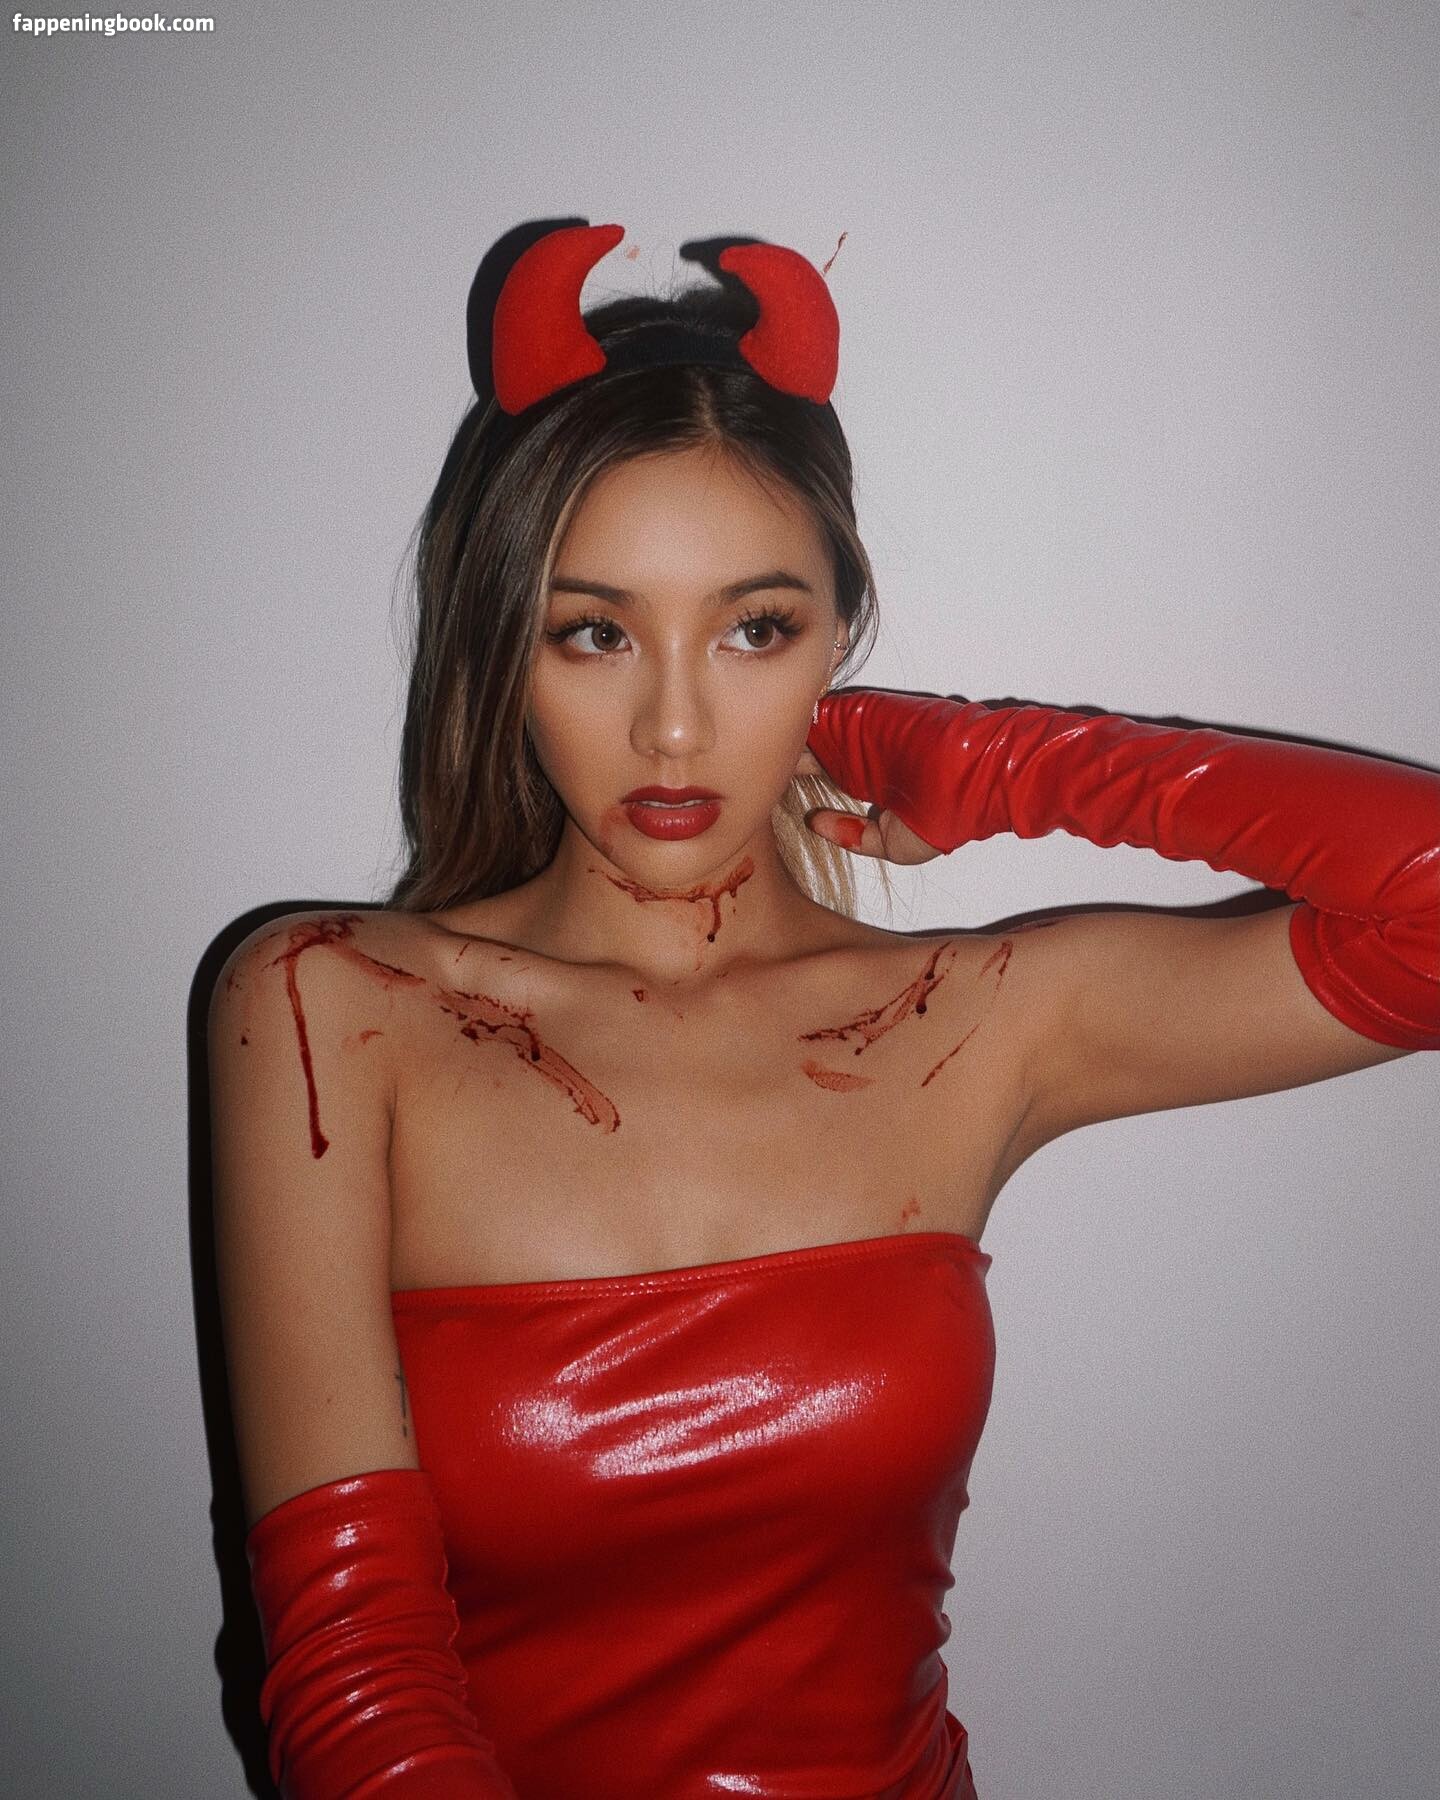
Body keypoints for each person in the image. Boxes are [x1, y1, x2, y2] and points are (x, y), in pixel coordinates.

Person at [207, 222, 1439, 1800]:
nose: (672, 724)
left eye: (754, 628)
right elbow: (355, 1673)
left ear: (837, 643)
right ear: (503, 643)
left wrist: (1006, 763)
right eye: (595, 630)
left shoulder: (970, 1023)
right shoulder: (332, 1012)